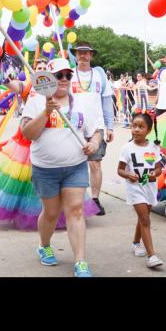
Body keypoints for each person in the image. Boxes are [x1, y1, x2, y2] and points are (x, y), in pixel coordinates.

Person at [0, 58, 100, 230]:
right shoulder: (29, 87)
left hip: (57, 138)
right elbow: (6, 82)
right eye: (38, 68)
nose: (40, 70)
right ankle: (36, 217)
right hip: (29, 137)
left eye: (43, 67)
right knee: (26, 183)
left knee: (55, 183)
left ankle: (59, 216)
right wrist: (3, 64)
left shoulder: (65, 92)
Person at [21, 58, 104, 278]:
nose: (64, 79)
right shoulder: (36, 101)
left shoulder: (82, 103)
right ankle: (44, 245)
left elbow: (95, 132)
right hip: (45, 169)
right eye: (59, 75)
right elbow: (28, 134)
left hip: (75, 167)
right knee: (51, 213)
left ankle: (81, 262)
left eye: (68, 75)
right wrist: (46, 112)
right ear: (48, 79)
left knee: (76, 211)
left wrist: (94, 144)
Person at [70, 42, 114, 216]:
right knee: (74, 164)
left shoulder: (99, 75)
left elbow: (107, 101)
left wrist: (110, 127)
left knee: (95, 164)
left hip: (96, 126)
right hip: (74, 127)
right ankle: (76, 199)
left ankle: (95, 199)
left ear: (91, 55)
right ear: (75, 55)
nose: (83, 55)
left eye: (86, 52)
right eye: (79, 52)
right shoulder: (68, 74)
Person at [117, 111, 164, 268]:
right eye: (134, 126)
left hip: (149, 187)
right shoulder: (127, 148)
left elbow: (159, 169)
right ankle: (152, 256)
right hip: (135, 188)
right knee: (145, 219)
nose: (136, 129)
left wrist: (154, 173)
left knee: (143, 217)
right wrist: (129, 174)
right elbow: (120, 170)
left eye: (141, 127)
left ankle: (136, 242)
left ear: (148, 130)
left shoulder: (153, 148)